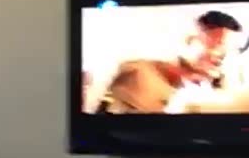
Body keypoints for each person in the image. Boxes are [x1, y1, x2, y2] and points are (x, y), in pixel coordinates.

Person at [103, 11, 242, 113]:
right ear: (192, 40)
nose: (220, 56)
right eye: (217, 44)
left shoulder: (206, 92)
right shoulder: (138, 72)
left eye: (227, 50)